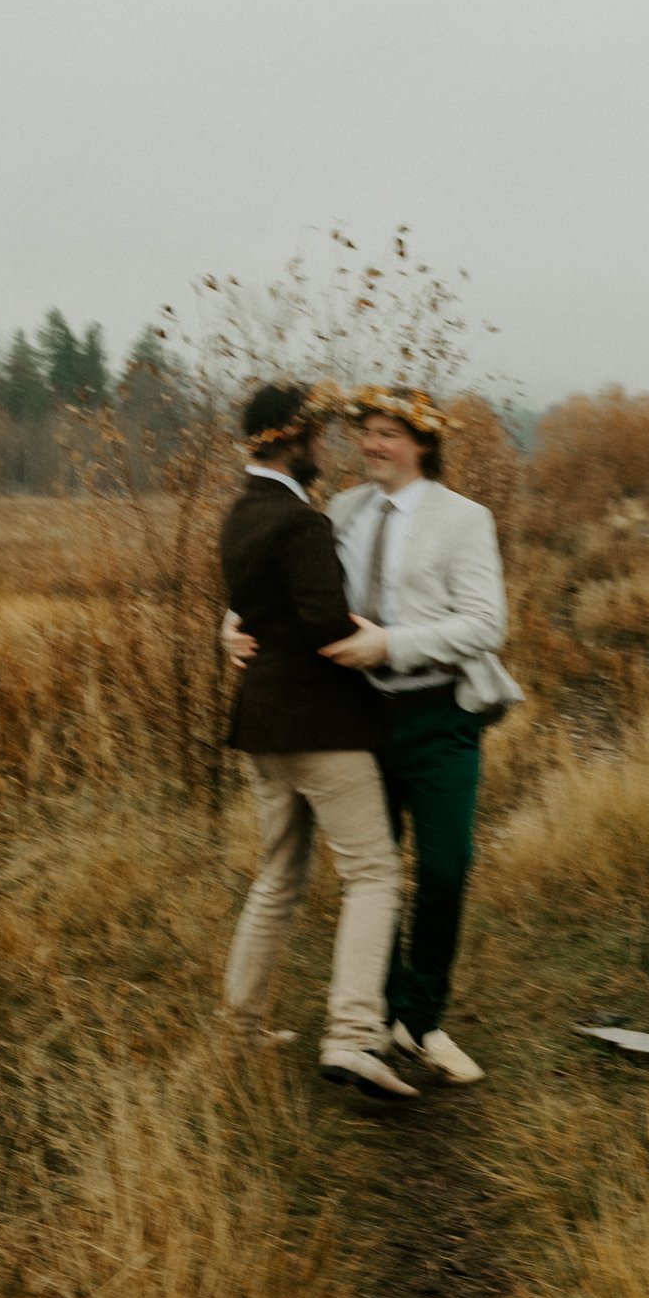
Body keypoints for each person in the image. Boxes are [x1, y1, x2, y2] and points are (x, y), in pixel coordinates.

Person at [226, 383, 519, 1086]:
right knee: (374, 869)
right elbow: (286, 579)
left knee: (443, 869)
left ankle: (422, 1021)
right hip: (356, 719)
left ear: (422, 444)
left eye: (387, 433)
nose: (370, 445)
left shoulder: (464, 519)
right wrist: (231, 625)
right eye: (365, 433)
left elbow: (486, 626)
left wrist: (394, 645)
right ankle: (379, 1019)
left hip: (440, 715)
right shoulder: (341, 510)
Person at [218, 381, 416, 1101]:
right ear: (288, 439)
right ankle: (353, 1036)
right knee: (373, 873)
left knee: (278, 877)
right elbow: (328, 626)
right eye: (317, 437)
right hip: (318, 727)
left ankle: (241, 1031)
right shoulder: (300, 523)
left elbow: (250, 613)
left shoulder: (239, 512)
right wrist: (395, 642)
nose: (325, 450)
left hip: (261, 724)